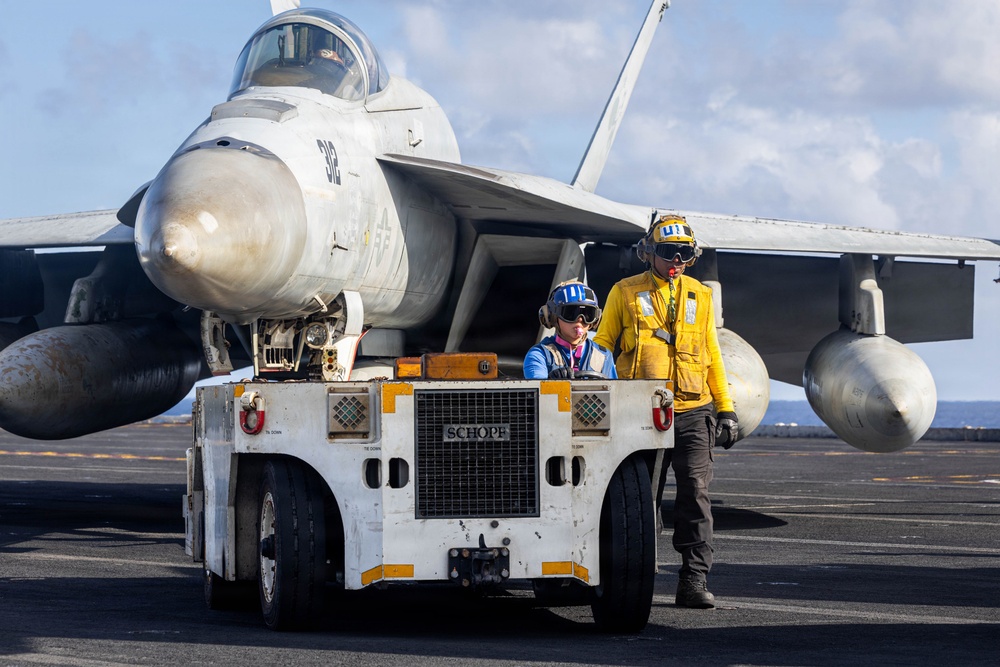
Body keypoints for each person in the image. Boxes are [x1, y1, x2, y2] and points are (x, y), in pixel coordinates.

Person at [594, 213, 738, 609]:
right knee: (639, 498)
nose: (676, 261)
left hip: (693, 409)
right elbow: (603, 346)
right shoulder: (624, 292)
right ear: (648, 252)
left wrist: (726, 409)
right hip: (639, 410)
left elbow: (711, 355)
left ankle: (693, 580)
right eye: (669, 252)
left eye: (684, 254)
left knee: (696, 492)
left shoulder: (700, 295)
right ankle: (633, 578)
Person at [523, 281, 618, 380]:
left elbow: (614, 389)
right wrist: (549, 383)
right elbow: (538, 386)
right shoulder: (539, 355)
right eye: (571, 313)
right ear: (552, 317)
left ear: (596, 319)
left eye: (587, 314)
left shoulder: (604, 356)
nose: (580, 319)